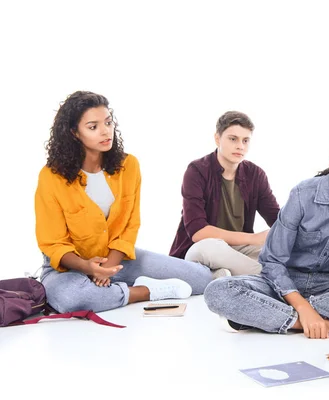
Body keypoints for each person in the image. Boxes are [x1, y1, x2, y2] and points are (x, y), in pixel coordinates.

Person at [204, 126, 329, 338]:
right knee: (218, 290)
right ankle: (328, 325)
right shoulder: (304, 193)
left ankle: (272, 318)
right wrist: (302, 307)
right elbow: (271, 261)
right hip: (283, 285)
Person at [35, 91, 212, 313]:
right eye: (93, 127)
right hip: (69, 267)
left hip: (117, 258)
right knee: (72, 298)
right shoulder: (51, 177)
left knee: (202, 279)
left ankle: (109, 290)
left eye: (108, 123)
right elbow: (53, 243)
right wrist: (88, 268)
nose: (105, 131)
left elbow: (130, 224)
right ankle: (144, 291)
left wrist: (109, 266)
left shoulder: (128, 166)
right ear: (74, 133)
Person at [169, 111, 280, 278]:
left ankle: (219, 276)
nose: (240, 146)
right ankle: (272, 278)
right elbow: (198, 232)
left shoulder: (255, 174)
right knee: (208, 248)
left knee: (281, 250)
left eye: (245, 140)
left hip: (237, 251)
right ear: (217, 139)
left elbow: (277, 219)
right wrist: (254, 238)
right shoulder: (197, 171)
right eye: (233, 139)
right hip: (201, 249)